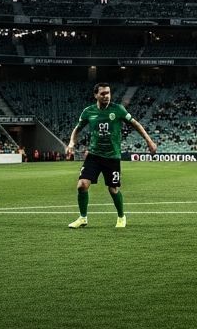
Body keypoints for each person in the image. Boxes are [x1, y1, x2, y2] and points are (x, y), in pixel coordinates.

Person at [66, 82, 157, 229]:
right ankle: (83, 218)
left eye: (108, 93)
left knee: (113, 189)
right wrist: (71, 143)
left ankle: (121, 217)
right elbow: (77, 129)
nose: (106, 96)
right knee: (82, 185)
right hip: (94, 155)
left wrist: (149, 141)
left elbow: (136, 124)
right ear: (95, 95)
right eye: (102, 93)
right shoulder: (88, 112)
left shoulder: (118, 109)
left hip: (112, 156)